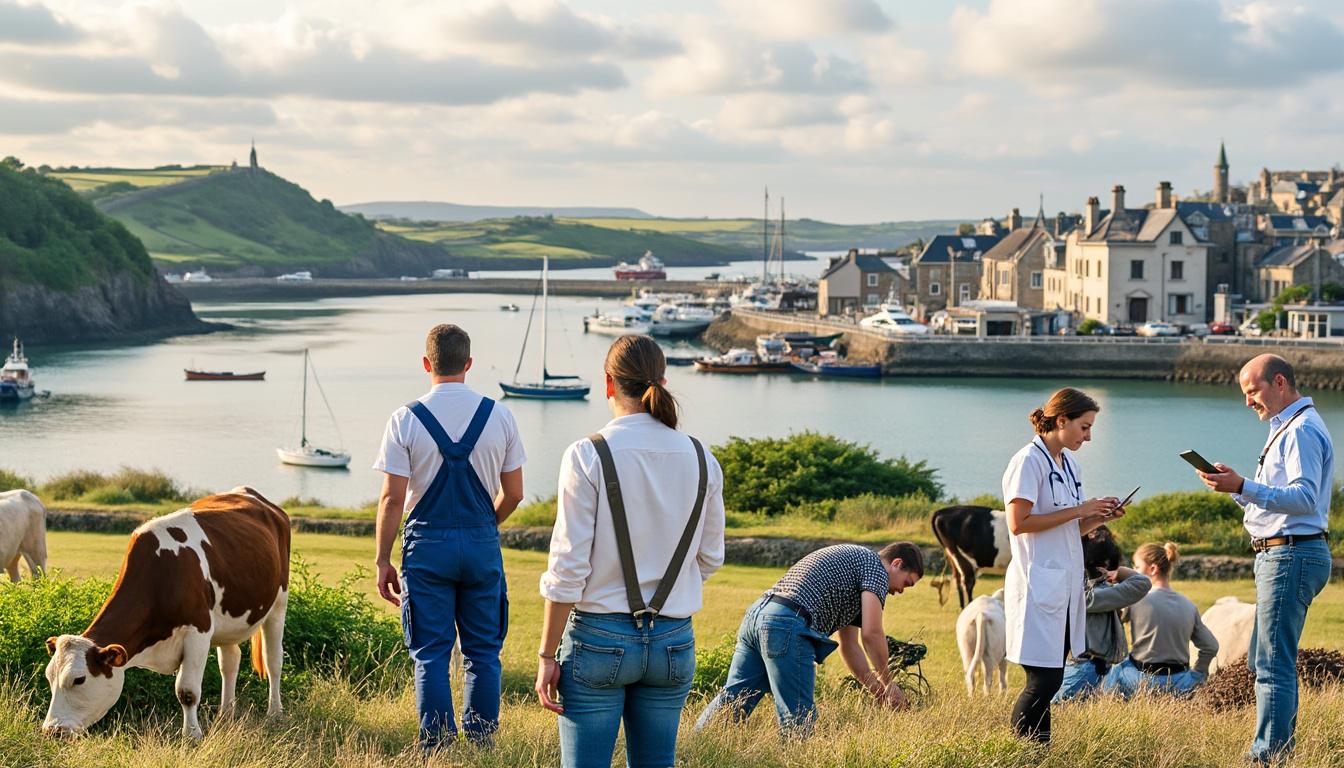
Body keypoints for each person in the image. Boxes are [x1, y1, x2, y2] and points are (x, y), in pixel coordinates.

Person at [534, 335, 726, 768]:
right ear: (662, 380)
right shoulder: (701, 456)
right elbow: (711, 558)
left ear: (608, 384)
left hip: (598, 637)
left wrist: (547, 655)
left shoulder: (587, 454)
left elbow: (568, 568)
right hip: (673, 641)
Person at [372, 324, 526, 751]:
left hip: (427, 551)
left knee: (432, 654)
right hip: (480, 547)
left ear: (426, 364)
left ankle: (437, 748)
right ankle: (481, 745)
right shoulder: (500, 416)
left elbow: (391, 499)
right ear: (469, 364)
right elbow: (514, 494)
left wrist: (383, 560)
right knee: (483, 653)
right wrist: (486, 527)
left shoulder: (404, 419)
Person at [1195, 354, 1332, 764]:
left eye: (1251, 391)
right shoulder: (1288, 427)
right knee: (1266, 660)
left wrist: (1246, 485)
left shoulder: (1300, 431)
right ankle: (1276, 749)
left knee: (1273, 664)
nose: (1248, 401)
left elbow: (1305, 499)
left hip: (1291, 553)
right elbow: (1275, 502)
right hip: (1285, 552)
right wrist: (1237, 488)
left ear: (1278, 382)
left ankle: (1268, 756)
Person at [694, 542, 923, 739]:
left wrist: (880, 693)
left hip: (758, 616)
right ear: (896, 563)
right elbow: (872, 634)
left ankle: (696, 749)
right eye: (907, 582)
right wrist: (890, 683)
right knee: (799, 718)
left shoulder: (857, 568)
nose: (902, 591)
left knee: (735, 699)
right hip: (787, 624)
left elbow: (850, 646)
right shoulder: (875, 569)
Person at [1001, 387, 1120, 743]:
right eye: (1084, 427)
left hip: (1064, 589)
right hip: (1037, 585)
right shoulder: (1028, 461)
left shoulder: (1070, 464)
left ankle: (1040, 753)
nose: (1089, 436)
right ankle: (1022, 753)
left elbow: (1070, 527)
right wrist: (1082, 509)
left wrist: (1097, 517)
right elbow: (1018, 523)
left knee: (1051, 680)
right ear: (1061, 420)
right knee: (1044, 681)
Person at [1103, 542, 1218, 698]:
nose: (1133, 572)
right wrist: (1198, 674)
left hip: (1139, 680)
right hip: (1180, 683)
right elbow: (1211, 646)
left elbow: (1111, 624)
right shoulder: (1189, 606)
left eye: (1136, 567)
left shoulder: (1137, 598)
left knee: (1111, 671)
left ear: (1153, 569)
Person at [1053, 526, 1151, 703]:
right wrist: (1118, 572)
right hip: (1086, 669)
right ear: (1105, 565)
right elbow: (1143, 582)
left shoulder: (1077, 592)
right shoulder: (1097, 596)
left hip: (1080, 667)